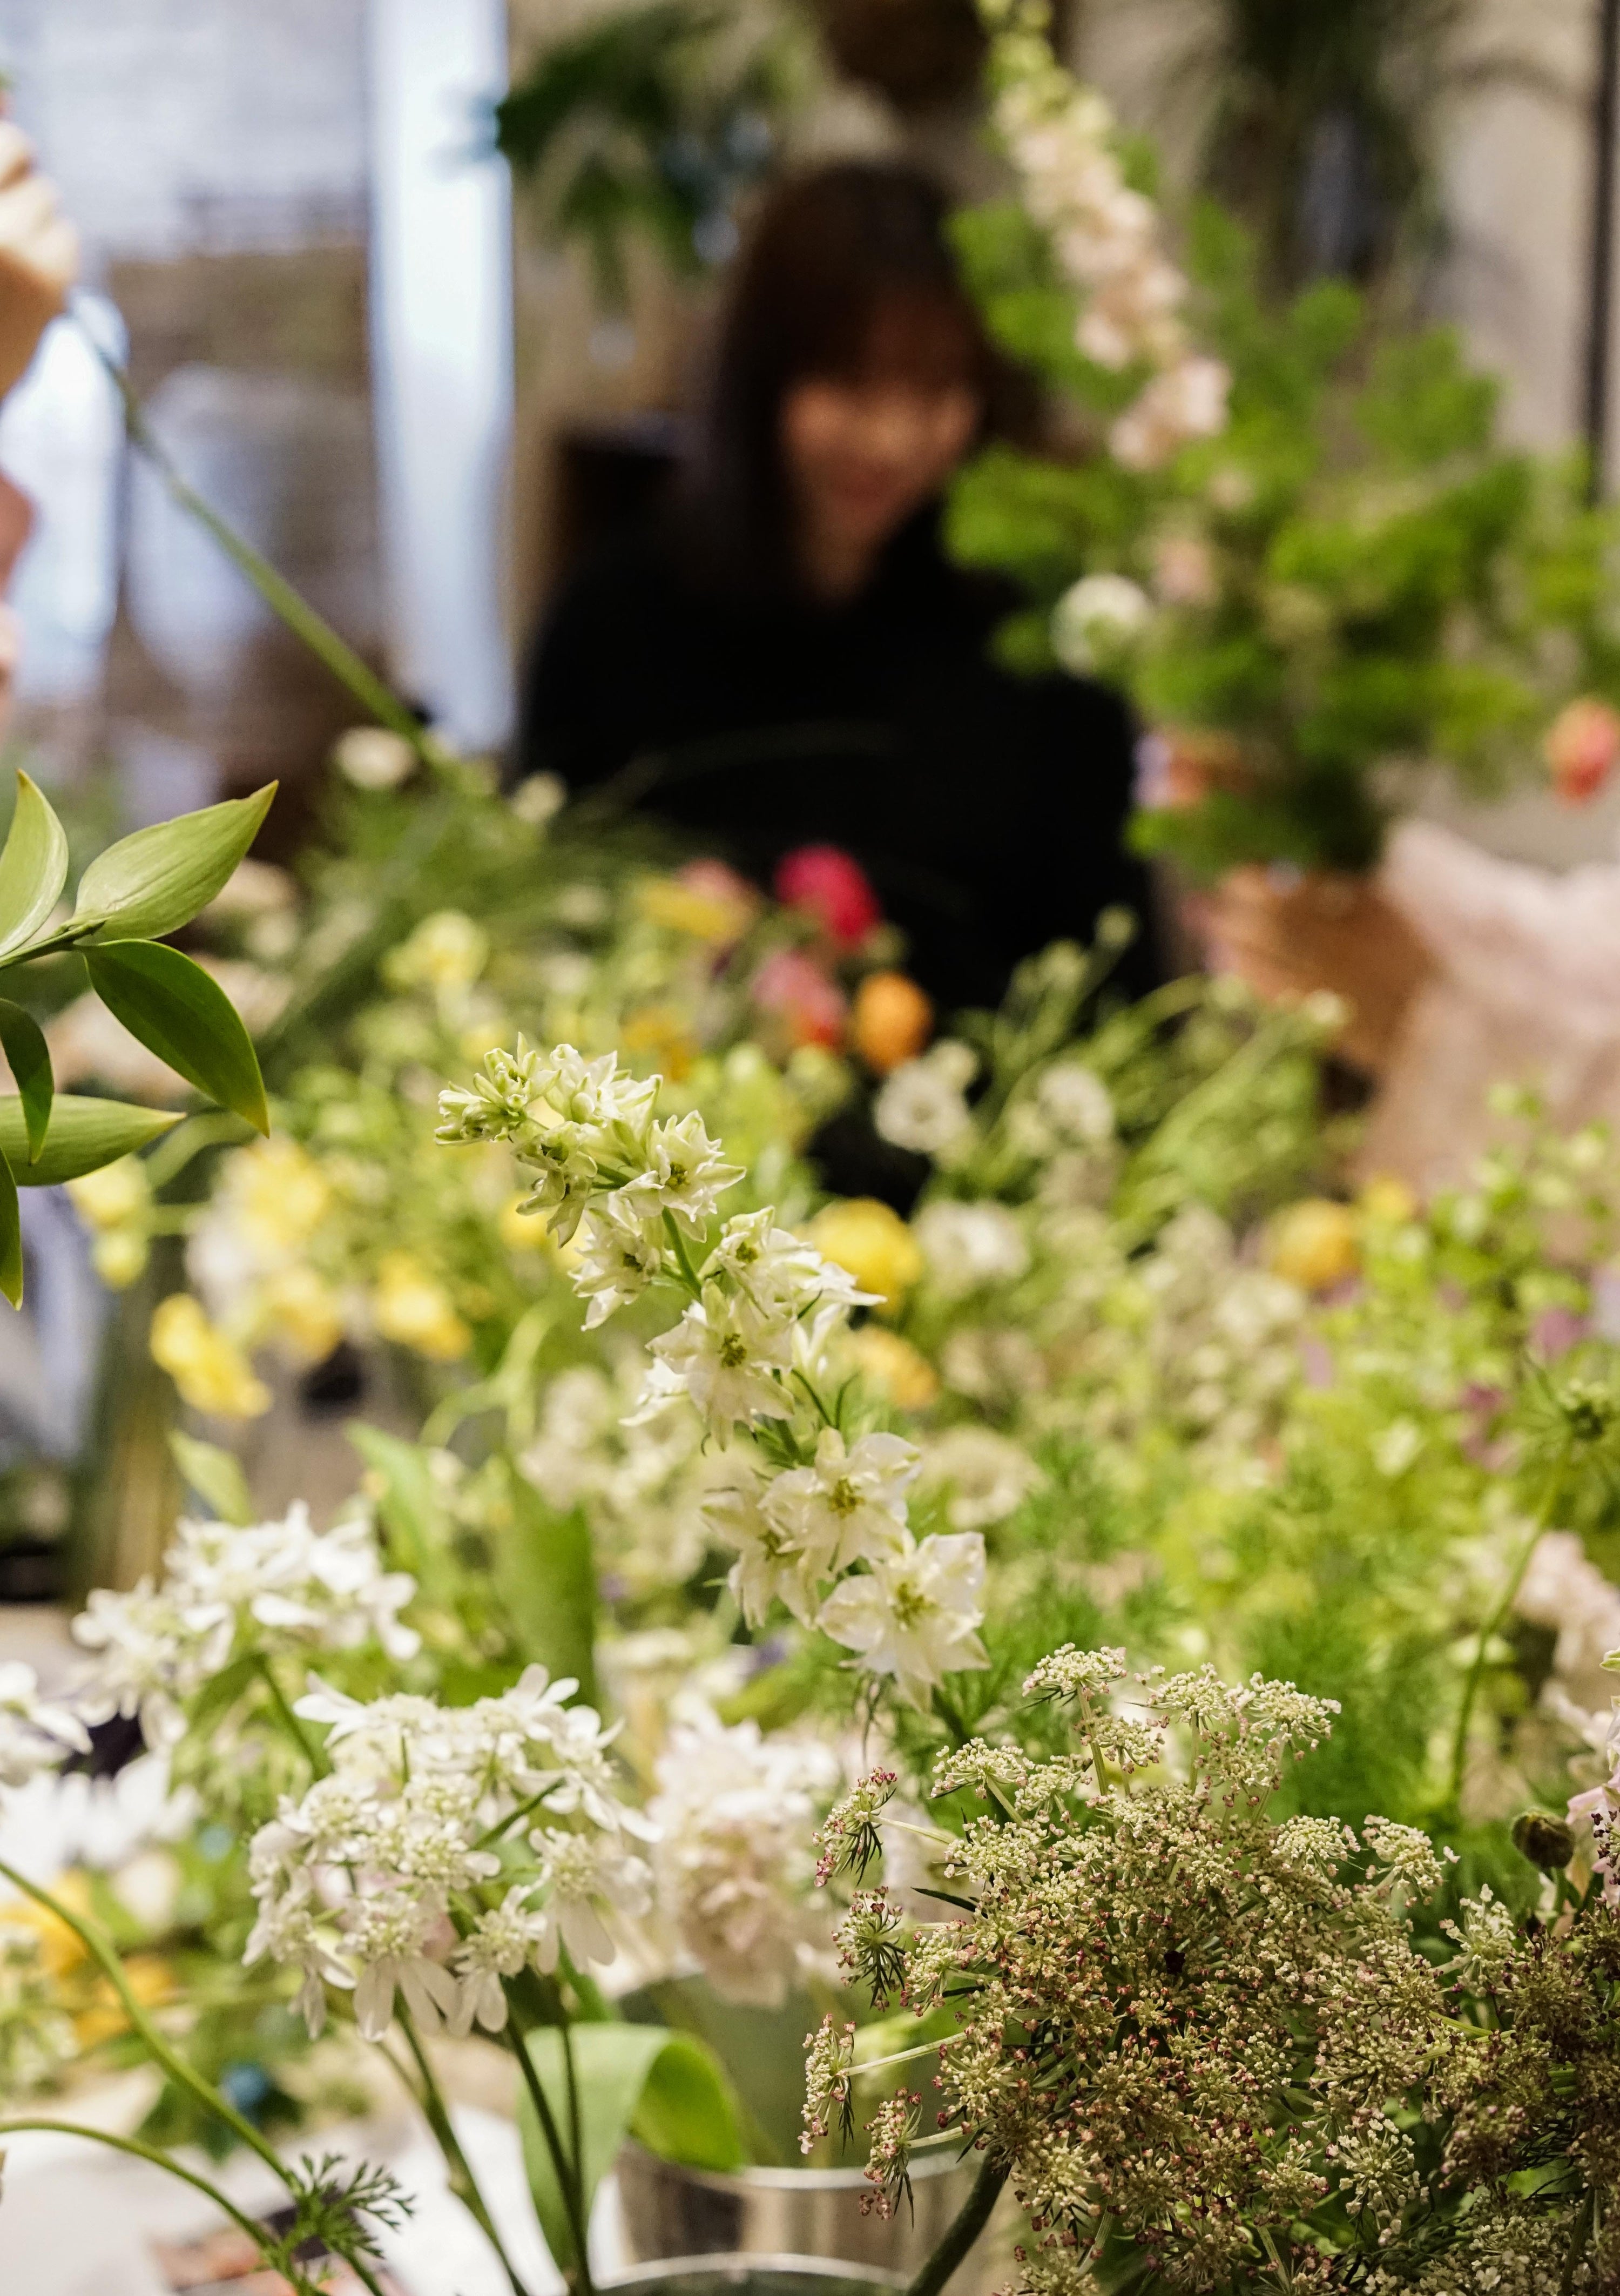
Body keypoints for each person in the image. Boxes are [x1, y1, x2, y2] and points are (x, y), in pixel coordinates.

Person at [518, 161, 1156, 1016]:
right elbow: (538, 924)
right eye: (849, 384)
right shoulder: (618, 622)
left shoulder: (1035, 641)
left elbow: (1118, 979)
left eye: (934, 390)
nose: (890, 440)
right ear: (762, 381)